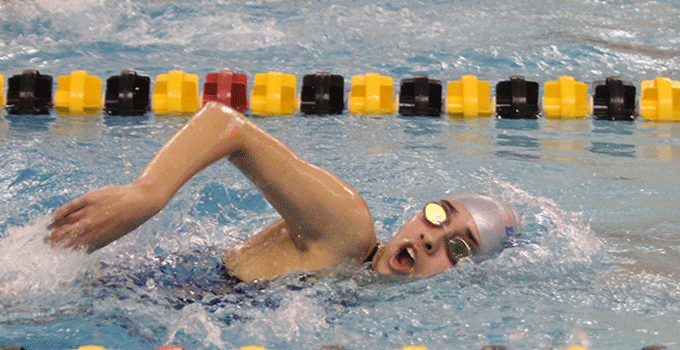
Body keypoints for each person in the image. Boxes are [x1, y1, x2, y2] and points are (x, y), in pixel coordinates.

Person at [49, 102, 520, 283]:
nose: (431, 238)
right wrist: (145, 194)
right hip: (127, 285)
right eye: (439, 215)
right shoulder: (348, 226)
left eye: (458, 246)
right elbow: (228, 126)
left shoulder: (358, 287)